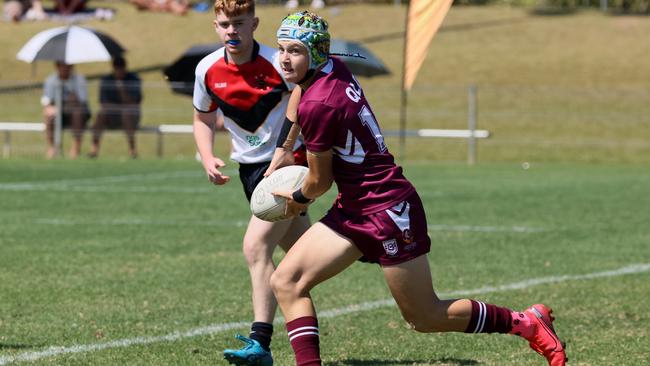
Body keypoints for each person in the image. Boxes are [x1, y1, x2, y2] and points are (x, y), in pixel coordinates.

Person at [268, 11, 568, 366]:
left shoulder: (321, 104)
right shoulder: (330, 68)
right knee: (286, 281)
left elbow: (319, 181)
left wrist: (296, 200)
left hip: (388, 210)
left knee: (424, 317)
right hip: (354, 209)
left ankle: (527, 323)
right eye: (281, 49)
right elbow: (298, 92)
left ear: (315, 53)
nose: (285, 59)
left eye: (295, 51)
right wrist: (285, 149)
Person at [192, 1, 310, 364]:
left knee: (256, 248)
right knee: (303, 259)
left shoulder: (279, 62)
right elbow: (201, 117)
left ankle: (260, 342)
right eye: (225, 24)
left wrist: (289, 150)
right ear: (216, 26)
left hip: (286, 166)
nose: (232, 31)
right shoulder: (207, 69)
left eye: (239, 23)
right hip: (249, 171)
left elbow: (308, 102)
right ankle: (365, 242)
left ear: (254, 24)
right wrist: (208, 154)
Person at [90, 56, 142, 159]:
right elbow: (103, 103)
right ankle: (94, 148)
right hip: (111, 116)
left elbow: (134, 103)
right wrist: (121, 107)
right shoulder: (106, 80)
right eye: (117, 69)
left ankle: (132, 149)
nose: (119, 71)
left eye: (121, 68)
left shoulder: (134, 79)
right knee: (101, 114)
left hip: (131, 117)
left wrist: (122, 89)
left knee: (126, 113)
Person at [41, 61, 90, 159]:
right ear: (57, 66)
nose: (65, 69)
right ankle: (52, 147)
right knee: (48, 115)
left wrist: (73, 98)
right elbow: (46, 101)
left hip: (76, 111)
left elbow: (82, 101)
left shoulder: (79, 80)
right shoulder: (51, 80)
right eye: (62, 66)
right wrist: (50, 108)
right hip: (59, 112)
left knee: (77, 113)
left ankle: (75, 148)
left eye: (67, 66)